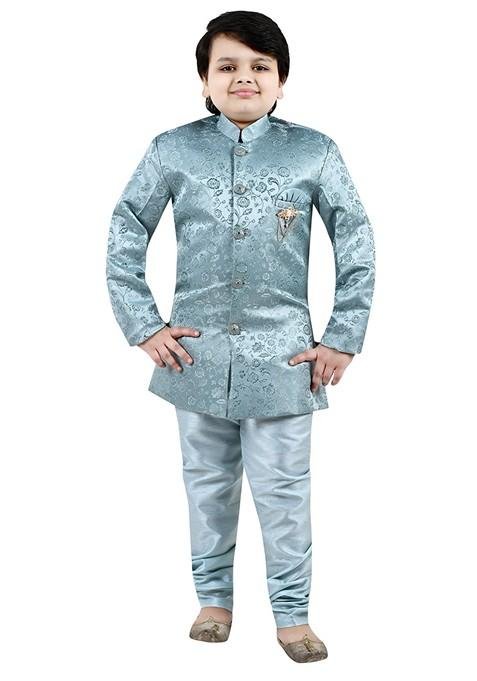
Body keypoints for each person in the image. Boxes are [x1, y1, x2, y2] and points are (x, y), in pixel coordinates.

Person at [106, 10, 375, 663]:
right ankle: (213, 602)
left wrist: (341, 336)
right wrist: (144, 326)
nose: (243, 77)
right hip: (194, 356)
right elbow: (125, 233)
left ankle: (292, 615)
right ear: (204, 79)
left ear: (282, 80)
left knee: (284, 491)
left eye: (260, 66)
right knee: (206, 484)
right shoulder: (172, 149)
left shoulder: (313, 151)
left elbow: (356, 242)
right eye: (226, 66)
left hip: (286, 357)